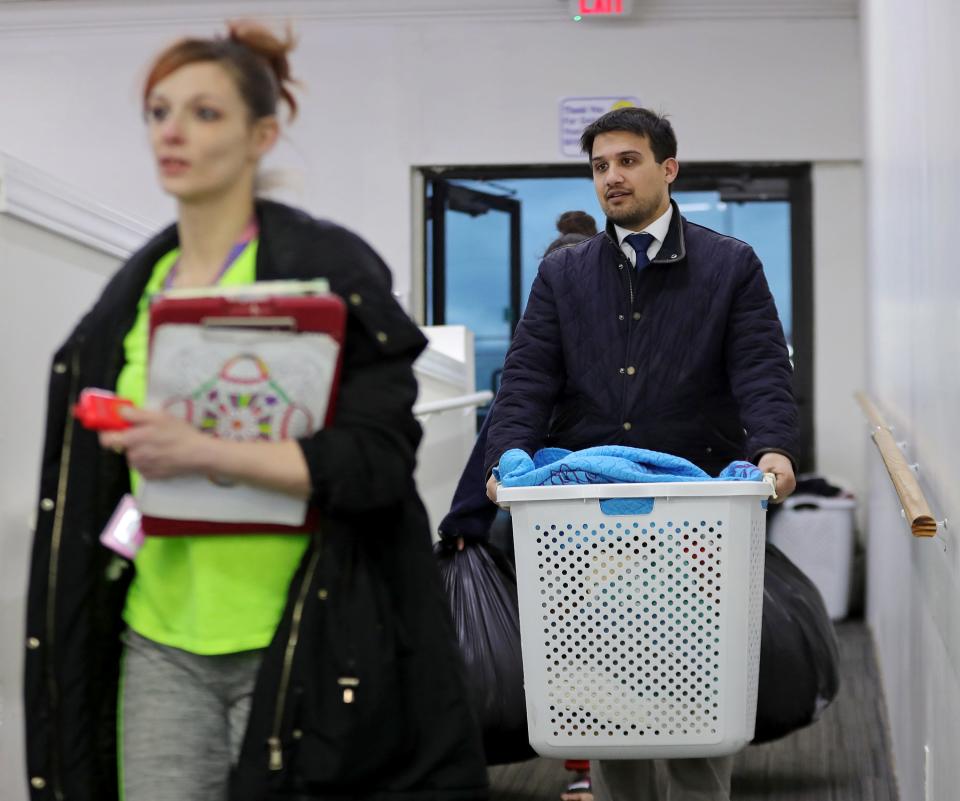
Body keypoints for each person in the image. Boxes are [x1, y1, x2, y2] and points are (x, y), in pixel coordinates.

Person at [22, 21, 487, 801]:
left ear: (261, 133)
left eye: (204, 113)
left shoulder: (325, 271)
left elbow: (373, 461)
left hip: (304, 633)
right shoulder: (135, 293)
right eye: (158, 111)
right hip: (158, 634)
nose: (172, 131)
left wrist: (201, 449)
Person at [483, 107, 799, 801]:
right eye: (600, 166)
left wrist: (774, 449)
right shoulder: (565, 275)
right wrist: (506, 455)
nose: (612, 177)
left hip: (696, 511)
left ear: (668, 167)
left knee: (691, 688)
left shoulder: (728, 264)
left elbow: (761, 370)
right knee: (608, 700)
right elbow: (528, 375)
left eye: (627, 160)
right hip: (591, 511)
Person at [438, 210, 598, 801]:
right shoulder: (543, 346)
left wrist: (465, 518)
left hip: (566, 524)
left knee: (578, 643)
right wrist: (464, 518)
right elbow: (498, 435)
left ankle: (593, 762)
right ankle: (587, 763)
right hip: (558, 525)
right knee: (578, 644)